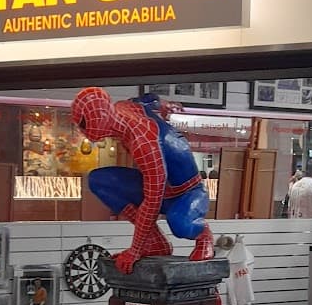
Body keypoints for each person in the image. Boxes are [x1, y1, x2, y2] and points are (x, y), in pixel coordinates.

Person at [71, 87, 214, 273]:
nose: (83, 131)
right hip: (163, 191)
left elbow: (152, 200)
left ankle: (204, 235)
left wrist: (135, 251)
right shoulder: (124, 108)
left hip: (187, 193)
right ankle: (155, 242)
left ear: (98, 116)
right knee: (99, 180)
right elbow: (147, 99)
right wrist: (163, 105)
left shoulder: (143, 140)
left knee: (180, 224)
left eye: (83, 124)